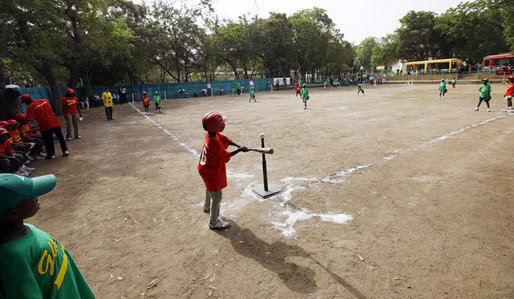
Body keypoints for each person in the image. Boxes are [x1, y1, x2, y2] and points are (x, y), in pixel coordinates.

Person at [0, 173, 96, 298]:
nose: (37, 196)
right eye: (30, 195)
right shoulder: (11, 257)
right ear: (13, 214)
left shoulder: (26, 229)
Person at [197, 112, 248, 230]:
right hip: (210, 171)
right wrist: (239, 150)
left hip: (204, 168)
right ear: (216, 126)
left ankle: (207, 206)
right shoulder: (213, 141)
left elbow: (225, 139)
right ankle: (213, 222)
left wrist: (238, 146)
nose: (223, 124)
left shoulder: (211, 134)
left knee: (209, 188)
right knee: (217, 195)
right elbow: (225, 157)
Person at [21, 94, 69, 159]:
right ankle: (65, 150)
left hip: (45, 125)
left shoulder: (30, 107)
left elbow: (29, 119)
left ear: (26, 101)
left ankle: (51, 154)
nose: (25, 104)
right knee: (60, 137)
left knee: (48, 140)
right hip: (54, 121)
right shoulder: (45, 100)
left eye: (25, 102)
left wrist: (20, 124)